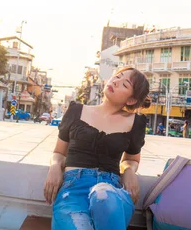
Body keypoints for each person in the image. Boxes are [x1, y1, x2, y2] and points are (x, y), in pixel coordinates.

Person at [44, 66, 150, 230]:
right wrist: (55, 166)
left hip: (111, 192)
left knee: (103, 195)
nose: (115, 81)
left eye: (124, 84)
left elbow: (131, 159)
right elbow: (59, 152)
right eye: (117, 76)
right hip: (73, 190)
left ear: (131, 100)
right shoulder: (76, 111)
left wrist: (129, 170)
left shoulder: (135, 122)